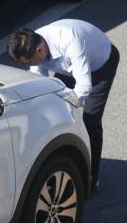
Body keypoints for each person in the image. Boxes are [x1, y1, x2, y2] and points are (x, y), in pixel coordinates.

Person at [6, 19, 120, 194]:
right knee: (58, 117)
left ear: (39, 50)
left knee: (90, 121)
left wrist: (65, 105)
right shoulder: (35, 46)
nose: (28, 67)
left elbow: (84, 86)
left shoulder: (69, 40)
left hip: (100, 65)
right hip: (67, 69)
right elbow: (41, 83)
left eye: (28, 63)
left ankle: (91, 179)